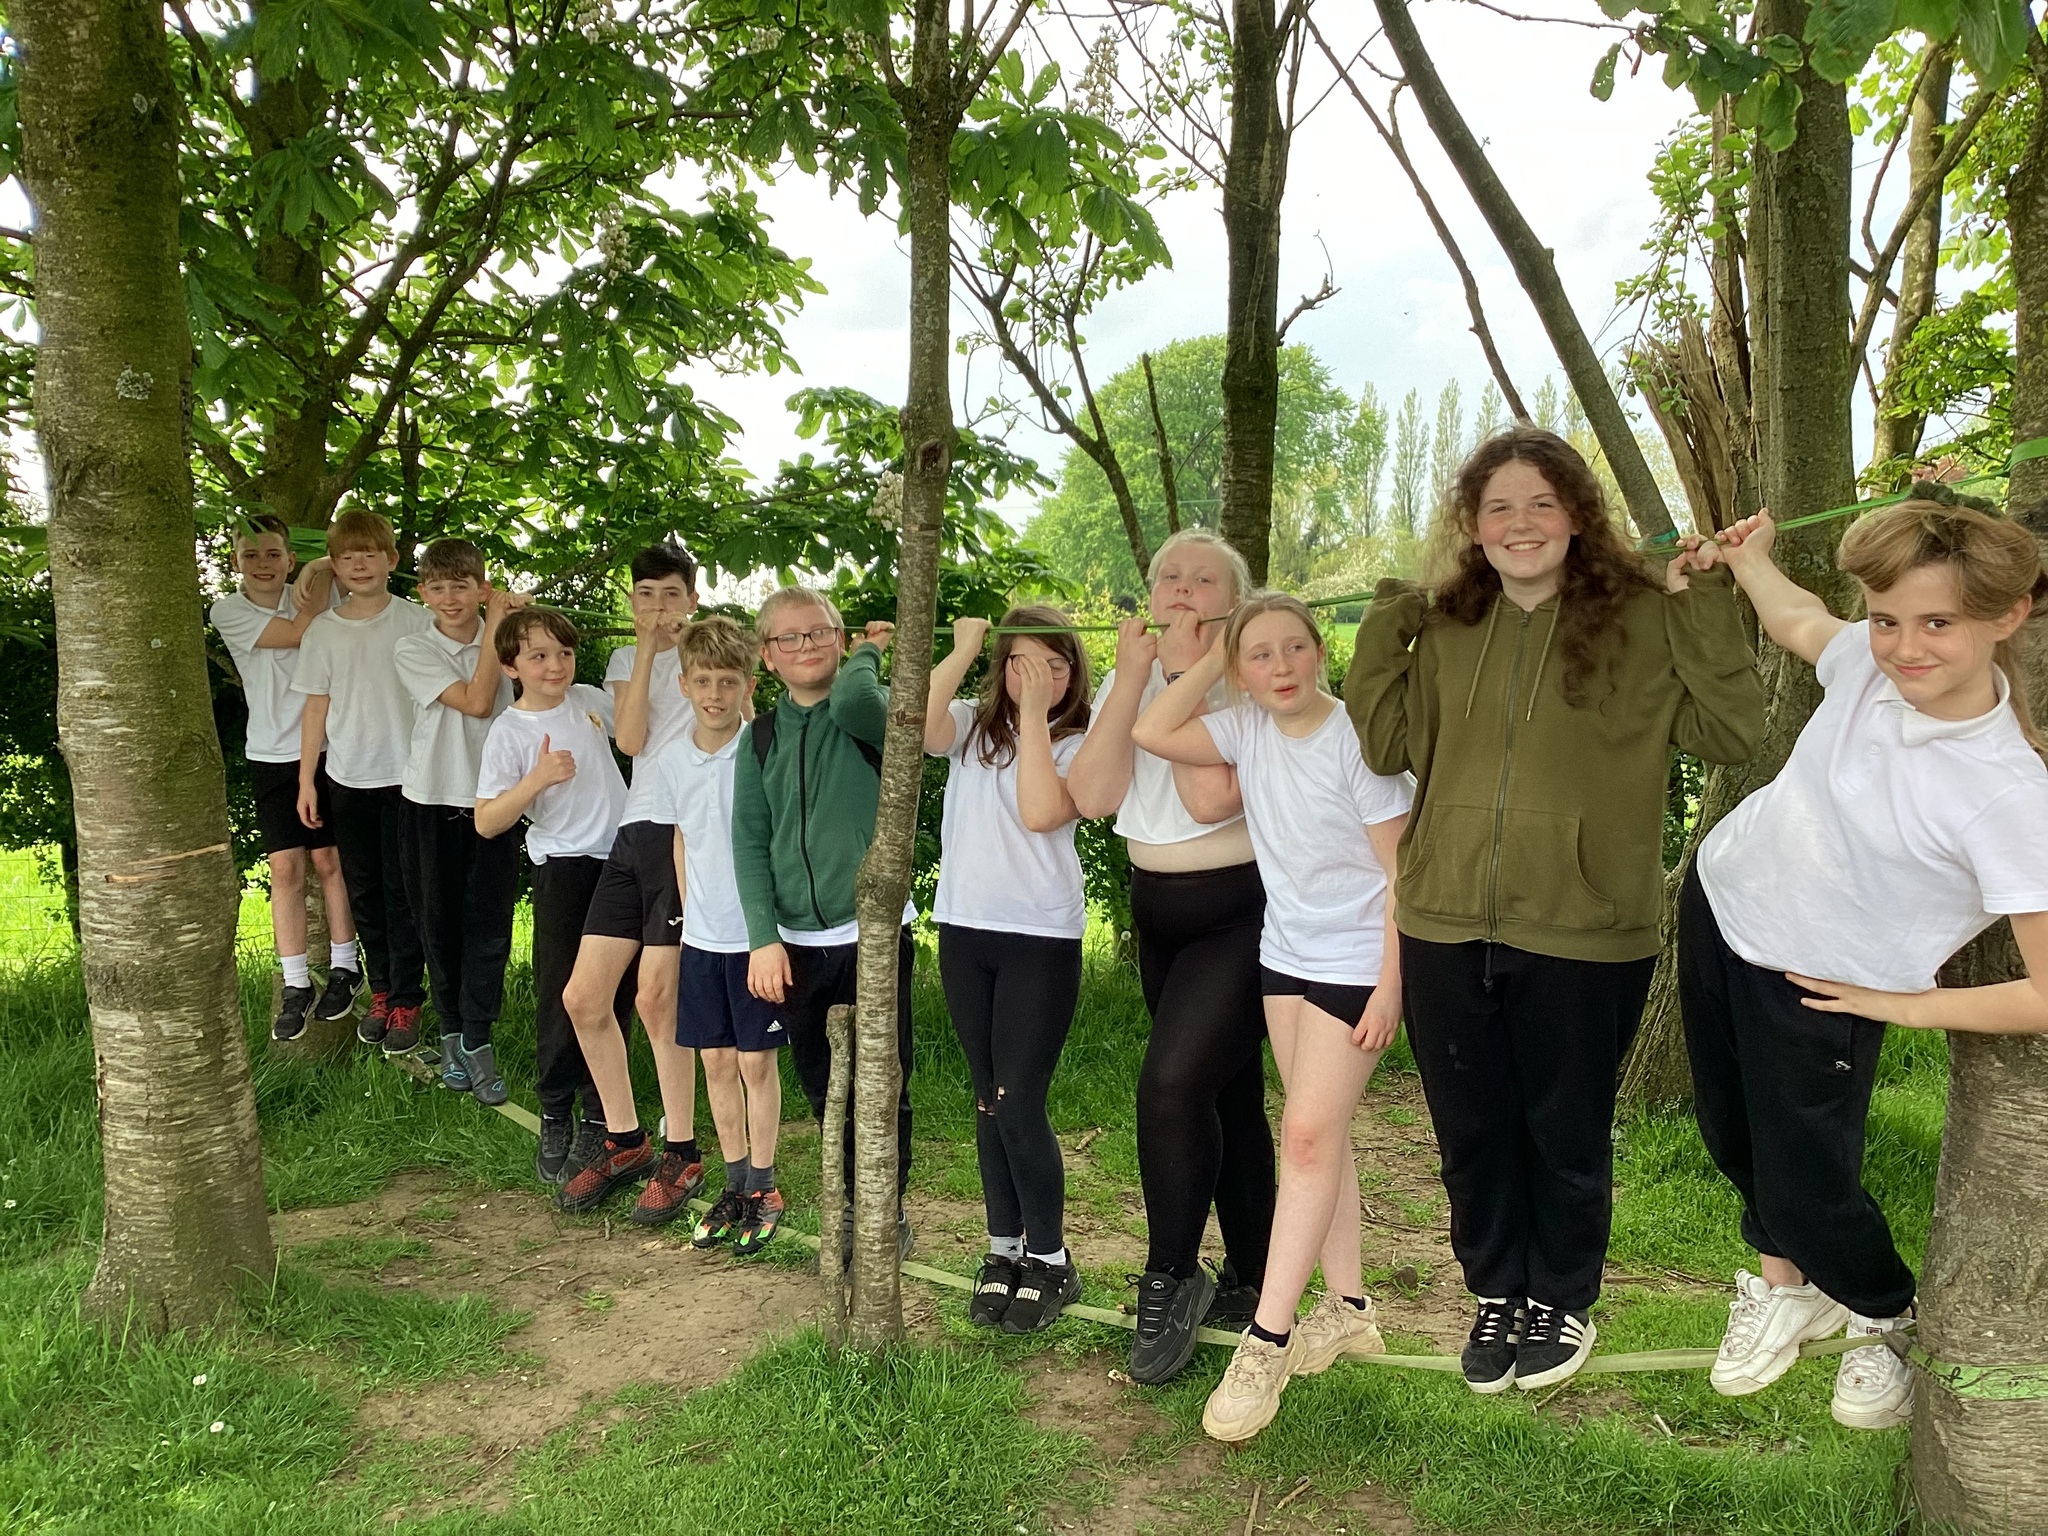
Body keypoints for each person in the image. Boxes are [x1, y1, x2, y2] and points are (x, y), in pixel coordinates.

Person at [1345, 426, 1763, 1393]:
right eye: (1498, 507)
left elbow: (1734, 731)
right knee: (1471, 1133)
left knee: (1564, 1131)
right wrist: (1387, 622)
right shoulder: (1447, 626)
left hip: (1588, 926)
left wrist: (1700, 603)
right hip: (1444, 919)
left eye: (1541, 502)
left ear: (1577, 514)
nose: (1520, 523)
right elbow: (1384, 743)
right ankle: (1496, 1292)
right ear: (1473, 525)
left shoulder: (1642, 616)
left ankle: (1562, 1300)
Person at [1681, 498, 2048, 1430]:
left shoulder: (2010, 795)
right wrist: (1753, 561)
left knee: (1806, 1181)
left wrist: (1906, 1005)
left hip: (1823, 986)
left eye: (1938, 624)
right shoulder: (1866, 669)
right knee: (1731, 1137)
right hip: (1723, 904)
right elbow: (1802, 623)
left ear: (2008, 616)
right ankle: (1786, 1286)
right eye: (1886, 620)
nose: (1904, 648)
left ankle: (1883, 1312)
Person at [1135, 593, 1412, 1441]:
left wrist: (1393, 986)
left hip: (1356, 961)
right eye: (1260, 655)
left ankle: (1268, 1340)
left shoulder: (1356, 739)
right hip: (1284, 956)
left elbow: (1403, 876)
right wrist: (1211, 658)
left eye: (1295, 648)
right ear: (1240, 671)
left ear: (1320, 651)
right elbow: (1152, 730)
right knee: (1320, 1135)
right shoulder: (1246, 728)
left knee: (1304, 1138)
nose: (1281, 667)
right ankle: (1350, 1307)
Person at [1067, 530, 1275, 1384]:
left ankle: (1172, 1274)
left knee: (1172, 1085)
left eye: (1204, 580)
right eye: (1169, 578)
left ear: (1238, 601)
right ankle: (1256, 1275)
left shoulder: (1258, 675)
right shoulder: (1138, 675)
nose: (1183, 591)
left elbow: (1209, 798)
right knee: (1226, 1094)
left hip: (1240, 910)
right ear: (1149, 595)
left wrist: (1199, 668)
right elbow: (1093, 795)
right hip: (1157, 910)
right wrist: (1130, 680)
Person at [731, 585, 916, 1262]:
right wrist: (763, 937)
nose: (806, 645)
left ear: (841, 640)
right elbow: (749, 841)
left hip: (872, 935)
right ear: (767, 656)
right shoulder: (760, 737)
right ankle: (847, 1203)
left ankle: (884, 1210)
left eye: (820, 632)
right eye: (789, 637)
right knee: (822, 1083)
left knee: (882, 1081)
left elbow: (852, 701)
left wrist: (869, 652)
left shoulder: (867, 711)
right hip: (798, 947)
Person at [923, 608, 1092, 1333]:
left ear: (1073, 673)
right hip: (965, 930)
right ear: (1002, 667)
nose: (1040, 678)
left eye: (1056, 665)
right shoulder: (970, 727)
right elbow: (919, 723)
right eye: (1024, 664)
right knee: (986, 1100)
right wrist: (965, 647)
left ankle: (1051, 1259)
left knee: (1018, 1100)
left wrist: (1032, 714)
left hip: (1039, 937)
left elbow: (1042, 813)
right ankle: (1003, 1249)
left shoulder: (1078, 739)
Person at [553, 545, 707, 1218]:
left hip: (685, 831)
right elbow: (631, 739)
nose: (658, 607)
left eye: (671, 594)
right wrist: (645, 649)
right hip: (632, 831)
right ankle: (626, 1140)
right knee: (584, 997)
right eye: (646, 594)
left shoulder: (709, 654)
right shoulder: (625, 659)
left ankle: (683, 1152)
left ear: (692, 600)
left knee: (656, 998)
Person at [475, 608, 629, 1185]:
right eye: (538, 656)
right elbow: (487, 820)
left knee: (615, 994)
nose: (555, 665)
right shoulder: (509, 731)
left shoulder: (589, 700)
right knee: (564, 993)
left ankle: (602, 1115)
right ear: (511, 666)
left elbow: (641, 722)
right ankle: (556, 1111)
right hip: (565, 868)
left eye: (564, 653)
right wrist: (535, 780)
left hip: (621, 861)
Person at [653, 619, 786, 1250]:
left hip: (756, 935)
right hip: (703, 939)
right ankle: (733, 1186)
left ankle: (764, 1185)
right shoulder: (671, 758)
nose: (714, 693)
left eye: (728, 681)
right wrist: (688, 923)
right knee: (715, 1061)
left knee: (756, 1062)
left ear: (748, 685)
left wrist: (771, 932)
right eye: (703, 681)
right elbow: (682, 839)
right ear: (683, 684)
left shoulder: (762, 751)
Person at [209, 516, 361, 1040]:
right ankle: (296, 981)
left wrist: (320, 570)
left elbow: (352, 586)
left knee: (330, 860)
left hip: (328, 747)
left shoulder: (320, 589)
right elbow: (299, 634)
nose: (263, 564)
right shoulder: (229, 610)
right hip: (272, 754)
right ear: (235, 562)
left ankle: (346, 965)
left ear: (289, 558)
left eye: (273, 554)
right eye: (250, 555)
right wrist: (318, 571)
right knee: (285, 868)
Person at [292, 508, 435, 1051]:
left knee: (404, 892)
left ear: (391, 560)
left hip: (409, 779)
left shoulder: (417, 621)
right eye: (347, 556)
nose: (359, 564)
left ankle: (407, 1001)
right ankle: (380, 993)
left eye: (369, 554)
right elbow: (315, 708)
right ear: (334, 564)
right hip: (347, 778)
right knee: (365, 891)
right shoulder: (323, 631)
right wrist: (307, 781)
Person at [392, 538, 520, 1091]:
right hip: (431, 798)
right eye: (438, 587)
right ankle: (449, 1030)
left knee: (489, 925)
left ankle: (477, 1037)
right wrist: (496, 628)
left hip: (495, 802)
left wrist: (507, 625)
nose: (450, 598)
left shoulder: (509, 639)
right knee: (438, 923)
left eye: (462, 586)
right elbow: (476, 701)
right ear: (423, 592)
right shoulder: (412, 648)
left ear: (482, 589)